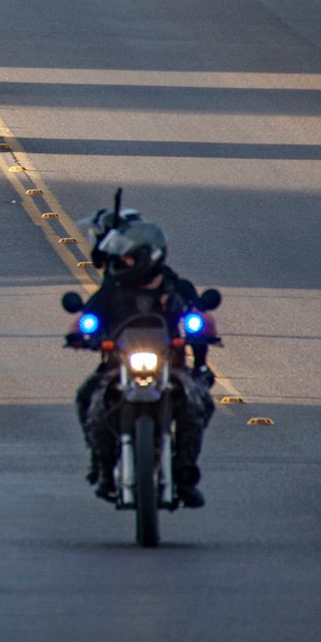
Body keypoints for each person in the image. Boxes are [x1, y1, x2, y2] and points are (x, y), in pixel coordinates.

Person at [67, 206, 216, 508]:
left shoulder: (175, 286)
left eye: (128, 258)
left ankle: (185, 474)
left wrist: (198, 328)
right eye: (121, 257)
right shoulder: (111, 289)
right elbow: (83, 320)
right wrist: (82, 333)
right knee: (89, 399)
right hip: (118, 369)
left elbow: (203, 318)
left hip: (171, 368)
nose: (122, 263)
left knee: (197, 402)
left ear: (146, 256)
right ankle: (102, 466)